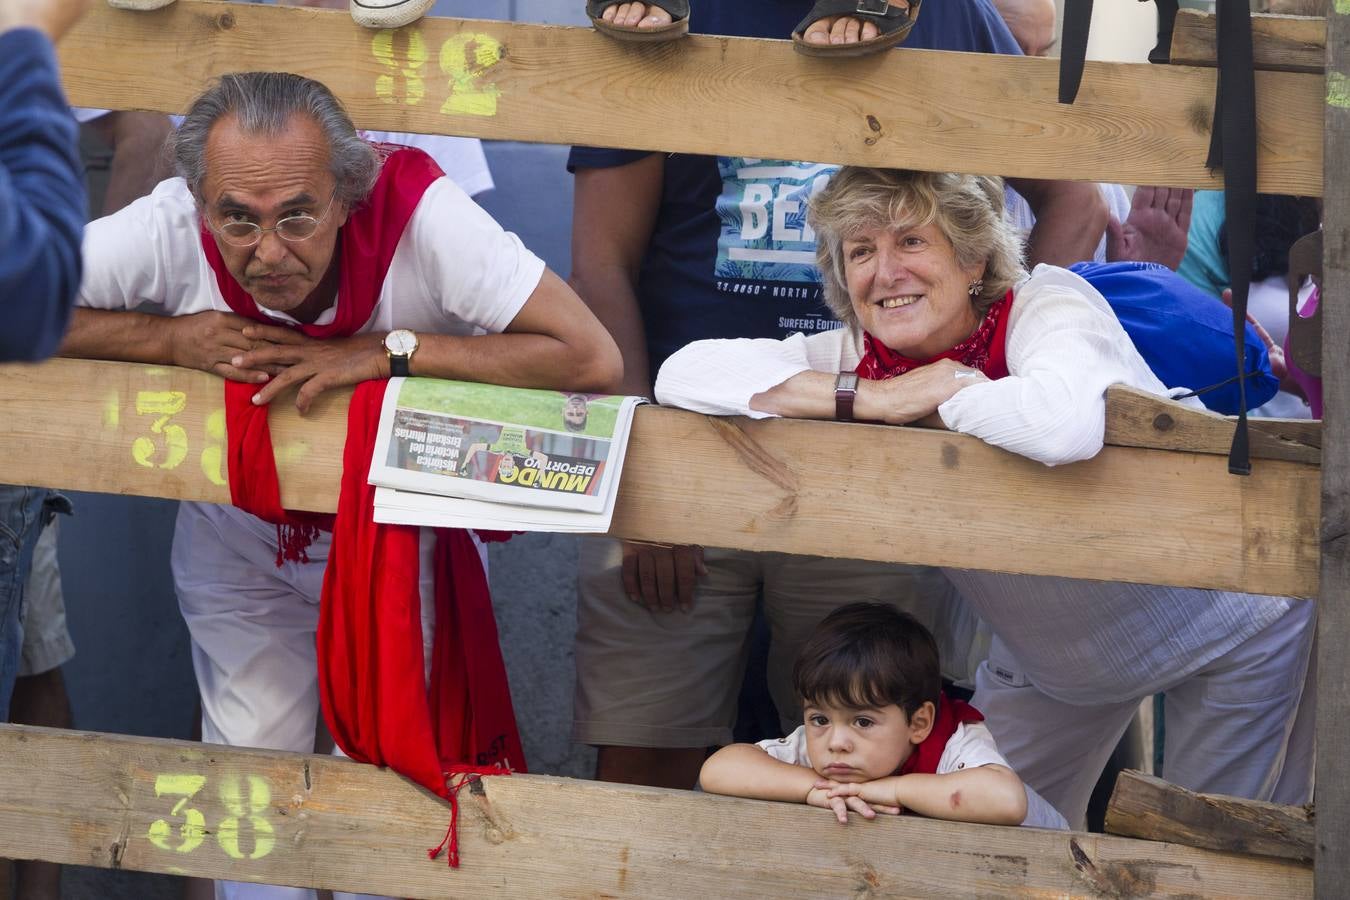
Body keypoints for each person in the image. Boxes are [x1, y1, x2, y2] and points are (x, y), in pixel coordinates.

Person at [60, 71, 621, 900]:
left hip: (406, 538)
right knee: (250, 799)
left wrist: (384, 352)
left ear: (349, 195)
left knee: (393, 787)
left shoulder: (422, 215)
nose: (267, 251)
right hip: (238, 537)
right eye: (237, 220)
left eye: (297, 215)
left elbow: (588, 357)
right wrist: (165, 336)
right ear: (200, 200)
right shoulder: (173, 221)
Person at [655, 166, 1315, 829]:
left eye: (911, 242)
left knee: (1216, 848)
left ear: (973, 257)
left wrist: (944, 392)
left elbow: (1059, 426)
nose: (885, 272)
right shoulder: (864, 360)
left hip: (1231, 628)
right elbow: (682, 373)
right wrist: (870, 398)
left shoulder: (1046, 303)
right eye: (860, 252)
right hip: (1056, 666)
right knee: (966, 848)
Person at [569, 0, 1108, 793]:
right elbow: (600, 264)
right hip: (690, 445)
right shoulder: (666, 12)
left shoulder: (953, 18)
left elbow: (1077, 198)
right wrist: (642, 473)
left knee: (871, 748)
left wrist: (986, 353)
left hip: (881, 469)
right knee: (648, 748)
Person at [701, 603, 1068, 830]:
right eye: (819, 718)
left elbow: (1006, 801)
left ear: (919, 723)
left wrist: (888, 789)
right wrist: (814, 789)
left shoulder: (955, 740)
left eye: (863, 722)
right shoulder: (829, 751)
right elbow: (718, 770)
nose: (837, 742)